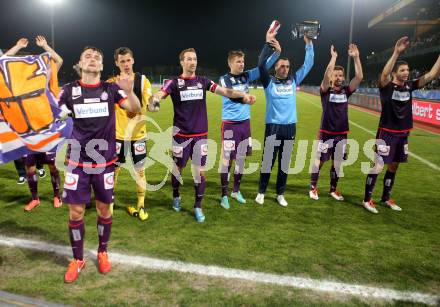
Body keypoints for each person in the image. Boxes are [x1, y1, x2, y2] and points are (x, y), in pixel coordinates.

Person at [59, 46, 141, 283]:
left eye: (97, 57)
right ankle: (78, 259)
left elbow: (135, 110)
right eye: (88, 56)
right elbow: (57, 114)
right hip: (77, 162)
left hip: (105, 162)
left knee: (104, 210)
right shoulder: (68, 91)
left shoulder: (112, 89)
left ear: (103, 66)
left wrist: (130, 91)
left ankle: (103, 251)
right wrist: (59, 114)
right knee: (76, 212)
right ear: (80, 63)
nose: (93, 60)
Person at [153, 48, 256, 222]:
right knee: (178, 169)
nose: (192, 62)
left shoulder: (204, 81)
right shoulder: (173, 83)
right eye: (189, 59)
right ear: (182, 62)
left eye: (194, 59)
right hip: (181, 136)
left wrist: (243, 95)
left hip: (200, 135)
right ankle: (176, 195)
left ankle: (197, 206)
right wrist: (155, 100)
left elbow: (226, 92)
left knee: (199, 172)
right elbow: (160, 93)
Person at [362, 37, 440, 214]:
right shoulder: (386, 87)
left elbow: (432, 74)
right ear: (395, 72)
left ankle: (385, 197)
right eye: (403, 70)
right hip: (386, 132)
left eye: (408, 70)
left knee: (394, 166)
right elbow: (383, 74)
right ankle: (367, 199)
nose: (407, 73)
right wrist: (396, 52)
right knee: (378, 165)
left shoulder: (409, 86)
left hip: (403, 134)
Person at [255, 26, 314, 206]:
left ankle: (280, 193)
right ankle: (261, 192)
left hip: (290, 127)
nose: (285, 69)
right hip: (273, 126)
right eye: (282, 66)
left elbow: (308, 64)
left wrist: (309, 44)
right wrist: (268, 44)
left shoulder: (293, 79)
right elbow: (260, 65)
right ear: (275, 67)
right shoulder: (268, 81)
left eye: (287, 66)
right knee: (268, 162)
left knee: (284, 163)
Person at [218, 41, 280, 209]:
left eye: (243, 61)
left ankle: (235, 191)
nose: (241, 64)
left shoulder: (246, 76)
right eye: (238, 61)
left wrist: (276, 53)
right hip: (230, 125)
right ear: (230, 63)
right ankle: (224, 194)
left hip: (245, 125)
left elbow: (263, 66)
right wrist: (245, 97)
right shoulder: (224, 79)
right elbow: (231, 94)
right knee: (226, 161)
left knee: (240, 159)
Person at [5, 37, 64, 211]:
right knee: (29, 167)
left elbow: (58, 60)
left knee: (52, 165)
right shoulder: (17, 85)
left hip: (47, 130)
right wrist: (16, 47)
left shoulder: (44, 76)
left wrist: (45, 46)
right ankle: (35, 198)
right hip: (26, 132)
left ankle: (56, 196)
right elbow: (2, 63)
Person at [309, 44, 363, 201]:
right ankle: (313, 187)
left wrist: (356, 58)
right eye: (336, 75)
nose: (339, 78)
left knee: (337, 163)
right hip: (326, 132)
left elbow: (359, 77)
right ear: (332, 77)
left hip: (342, 133)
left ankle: (333, 189)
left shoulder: (346, 91)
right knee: (320, 161)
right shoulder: (325, 90)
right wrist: (333, 58)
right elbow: (326, 77)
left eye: (341, 75)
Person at [108, 47, 156, 221]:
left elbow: (152, 104)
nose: (126, 64)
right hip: (118, 135)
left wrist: (153, 104)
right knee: (114, 171)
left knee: (140, 171)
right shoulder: (111, 83)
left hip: (138, 135)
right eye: (122, 61)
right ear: (116, 63)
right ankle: (110, 203)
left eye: (128, 60)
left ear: (133, 60)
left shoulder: (143, 81)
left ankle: (141, 205)